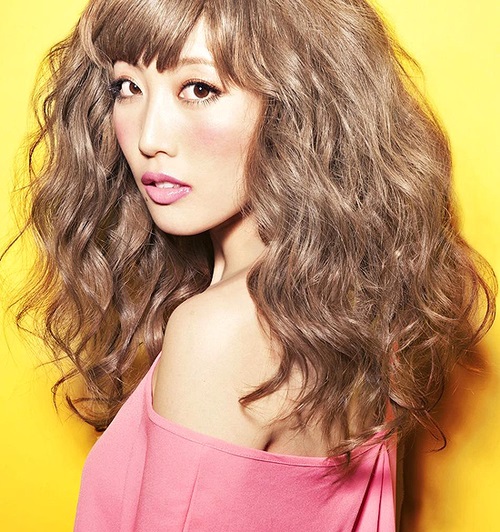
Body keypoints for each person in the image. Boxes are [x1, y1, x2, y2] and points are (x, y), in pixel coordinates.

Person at [10, 0, 495, 530]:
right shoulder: (361, 311)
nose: (149, 138)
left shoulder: (217, 332)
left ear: (297, 107)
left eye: (199, 89)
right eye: (128, 86)